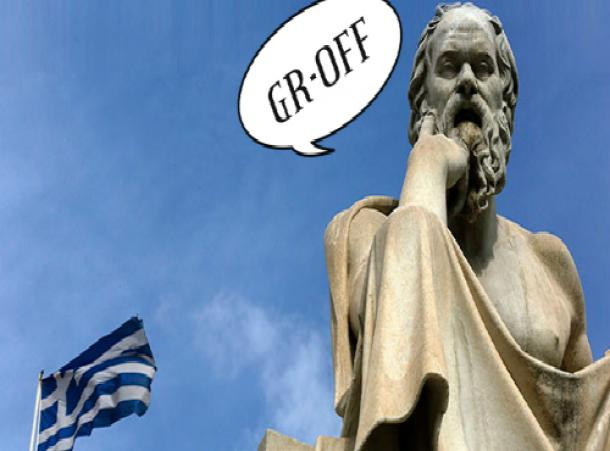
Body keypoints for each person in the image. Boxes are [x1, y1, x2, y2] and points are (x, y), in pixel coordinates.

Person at [323, 3, 610, 450]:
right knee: (411, 230)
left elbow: (586, 418)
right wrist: (429, 165)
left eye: (483, 67)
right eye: (449, 66)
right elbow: (392, 361)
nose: (468, 82)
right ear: (423, 102)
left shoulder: (549, 265)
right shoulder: (368, 233)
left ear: (504, 103)